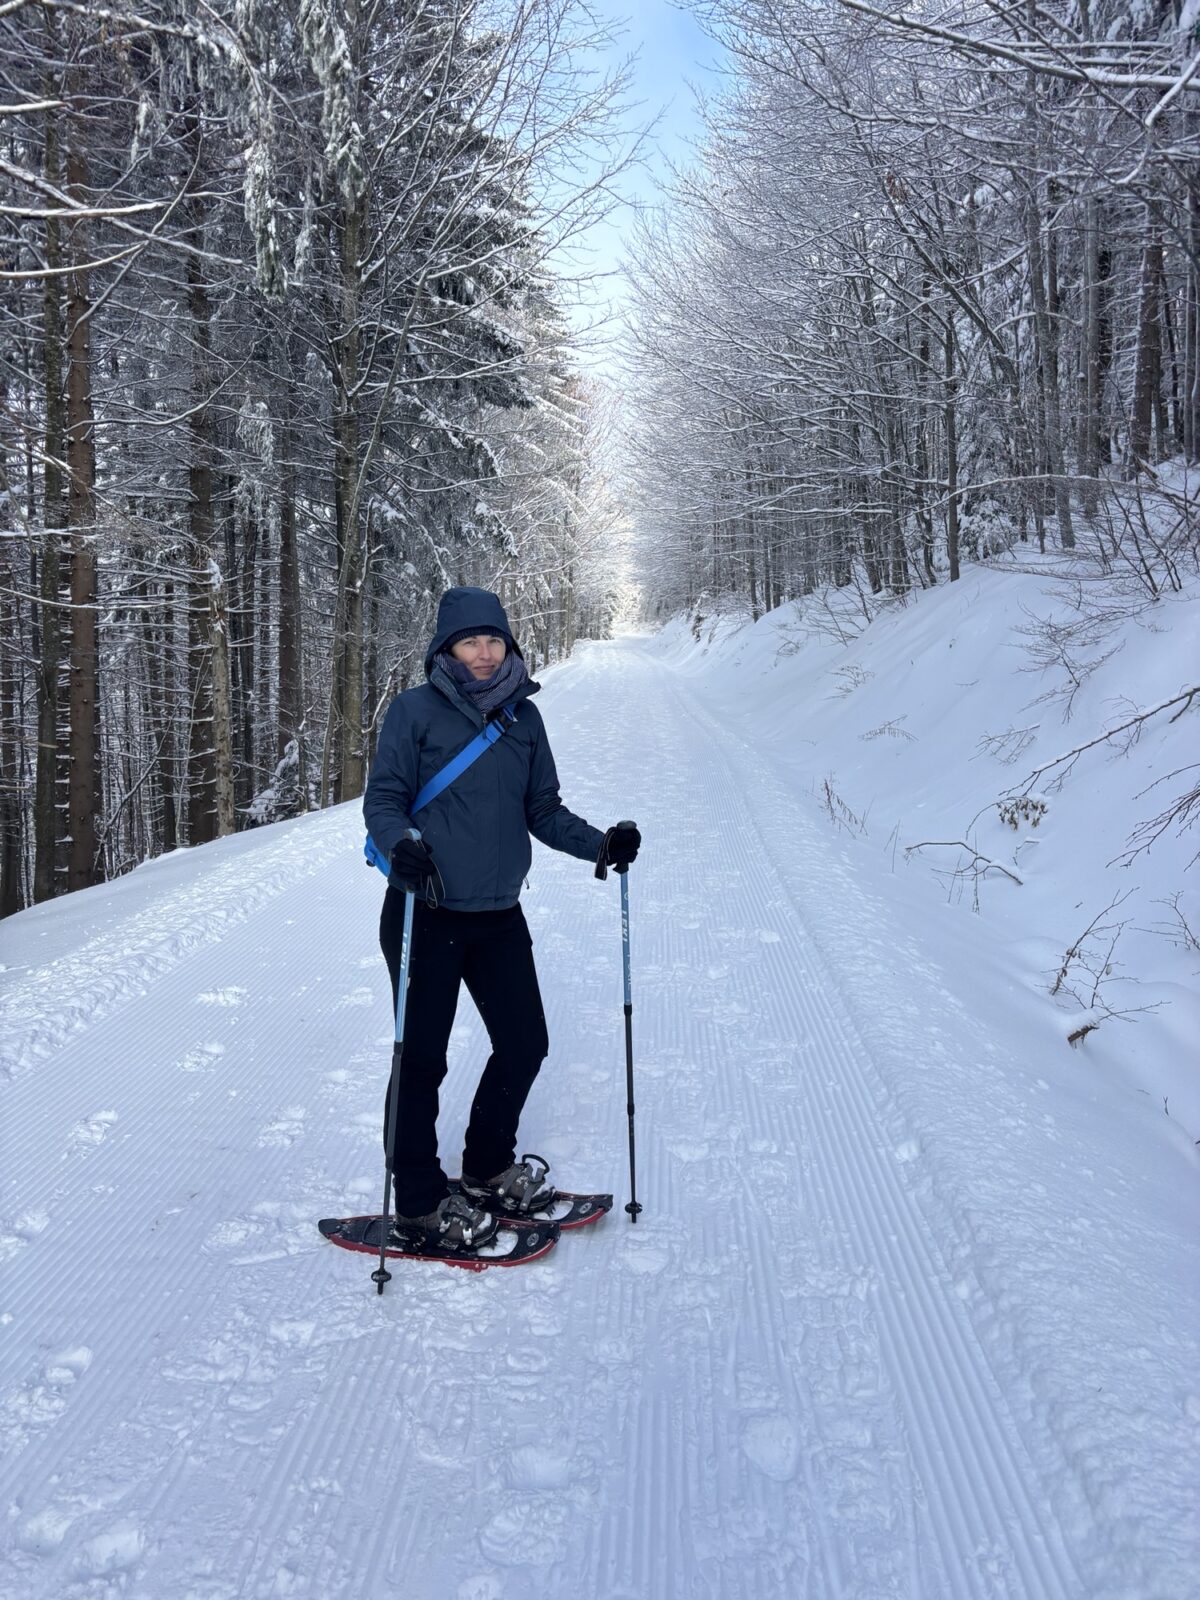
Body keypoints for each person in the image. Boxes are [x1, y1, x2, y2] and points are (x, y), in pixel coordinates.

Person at [363, 586, 641, 1248]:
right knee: (421, 1060)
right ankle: (421, 1204)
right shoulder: (414, 712)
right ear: (446, 649)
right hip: (421, 912)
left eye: (494, 641)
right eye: (470, 641)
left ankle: (486, 1166)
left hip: (497, 913)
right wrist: (401, 845)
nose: (484, 654)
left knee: (525, 1043)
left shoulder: (524, 720)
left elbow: (541, 809)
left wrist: (600, 843)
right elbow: (384, 800)